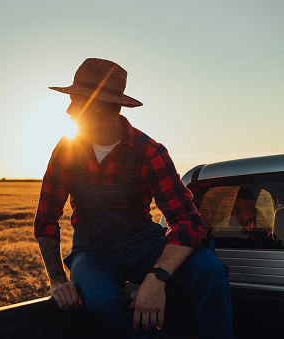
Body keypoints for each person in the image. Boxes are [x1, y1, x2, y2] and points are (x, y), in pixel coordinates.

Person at [34, 58, 235, 338]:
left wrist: (157, 278)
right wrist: (57, 279)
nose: (68, 110)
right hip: (93, 254)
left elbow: (187, 221)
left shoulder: (150, 153)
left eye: (74, 101)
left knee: (210, 270)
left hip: (144, 246)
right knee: (102, 302)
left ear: (96, 104)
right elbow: (46, 219)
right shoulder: (66, 151)